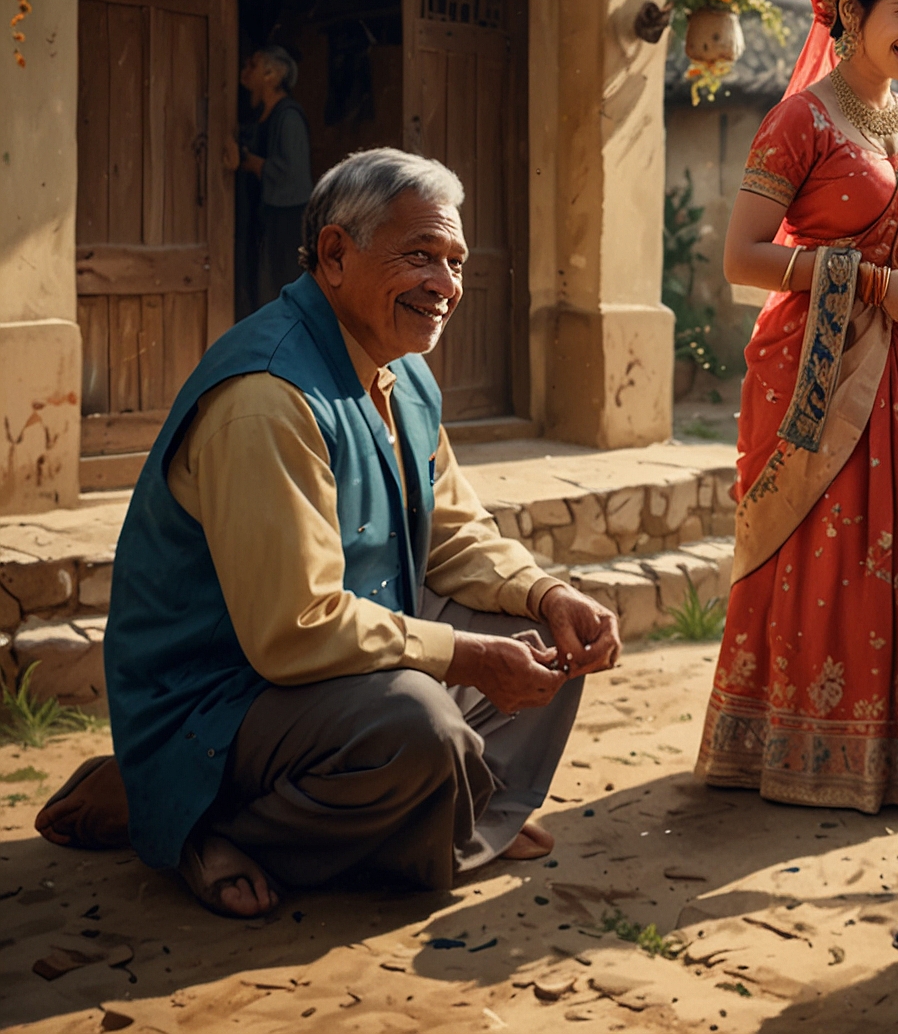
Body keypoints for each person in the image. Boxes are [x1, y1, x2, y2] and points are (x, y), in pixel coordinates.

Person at [35, 149, 621, 918]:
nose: (444, 286)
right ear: (336, 254)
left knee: (548, 644)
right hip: (221, 695)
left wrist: (546, 595)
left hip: (330, 673)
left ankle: (452, 816)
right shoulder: (268, 397)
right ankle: (193, 822)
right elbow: (294, 628)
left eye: (455, 261)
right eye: (419, 256)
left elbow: (453, 532)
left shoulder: (402, 372)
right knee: (420, 725)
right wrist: (465, 655)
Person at [693, 0, 898, 812]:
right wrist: (869, 283)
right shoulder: (800, 122)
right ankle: (795, 745)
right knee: (823, 550)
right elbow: (742, 259)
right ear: (849, 10)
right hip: (816, 378)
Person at [227, 45, 314, 315]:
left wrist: (250, 162)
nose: (244, 72)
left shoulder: (288, 117)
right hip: (263, 217)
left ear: (272, 75)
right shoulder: (261, 115)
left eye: (252, 65)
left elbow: (292, 173)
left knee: (278, 285)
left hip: (284, 222)